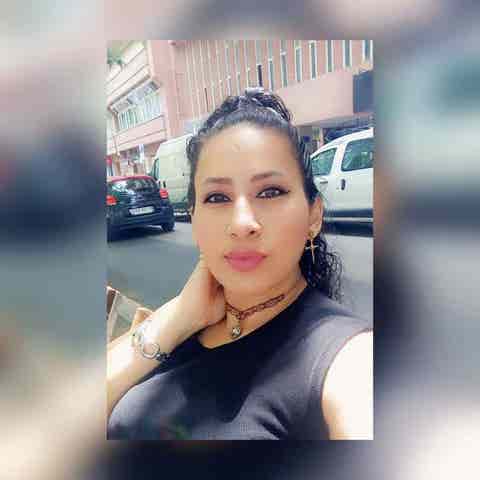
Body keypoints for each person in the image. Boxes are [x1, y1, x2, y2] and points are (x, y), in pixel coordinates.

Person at [107, 89, 373, 440]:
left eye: (270, 192)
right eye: (217, 197)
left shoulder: (346, 357)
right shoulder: (182, 323)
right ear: (194, 220)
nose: (242, 223)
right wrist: (181, 317)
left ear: (314, 215)